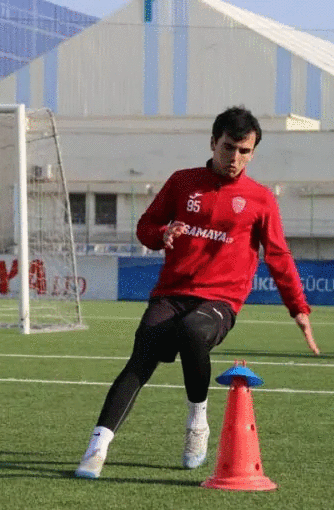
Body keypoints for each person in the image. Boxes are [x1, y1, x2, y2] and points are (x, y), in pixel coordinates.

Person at [75, 106, 320, 479]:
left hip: (220, 300)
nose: (235, 158)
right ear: (212, 143)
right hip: (172, 293)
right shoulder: (182, 182)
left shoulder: (260, 199)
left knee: (193, 331)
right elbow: (146, 226)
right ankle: (97, 448)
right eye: (228, 148)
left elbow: (278, 255)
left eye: (244, 151)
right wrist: (162, 234)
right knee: (141, 357)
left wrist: (298, 307)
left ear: (253, 153)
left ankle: (197, 422)